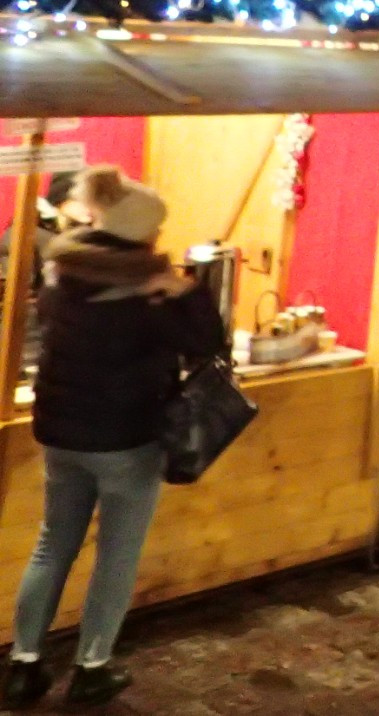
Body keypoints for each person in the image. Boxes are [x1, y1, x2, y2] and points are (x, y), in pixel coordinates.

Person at [5, 167, 225, 708]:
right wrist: (185, 291)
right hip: (125, 442)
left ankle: (23, 667)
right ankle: (92, 669)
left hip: (60, 434)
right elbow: (207, 343)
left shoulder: (59, 273)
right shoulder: (144, 294)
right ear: (143, 234)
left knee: (52, 544)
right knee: (116, 555)